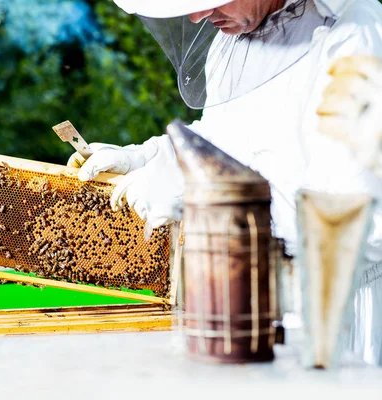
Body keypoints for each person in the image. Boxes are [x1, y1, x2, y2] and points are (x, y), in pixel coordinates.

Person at [67, 0, 382, 366]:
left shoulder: (356, 34)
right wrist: (150, 155)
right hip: (247, 296)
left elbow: (356, 219)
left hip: (334, 311)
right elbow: (225, 139)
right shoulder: (234, 34)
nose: (197, 16)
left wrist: (208, 198)